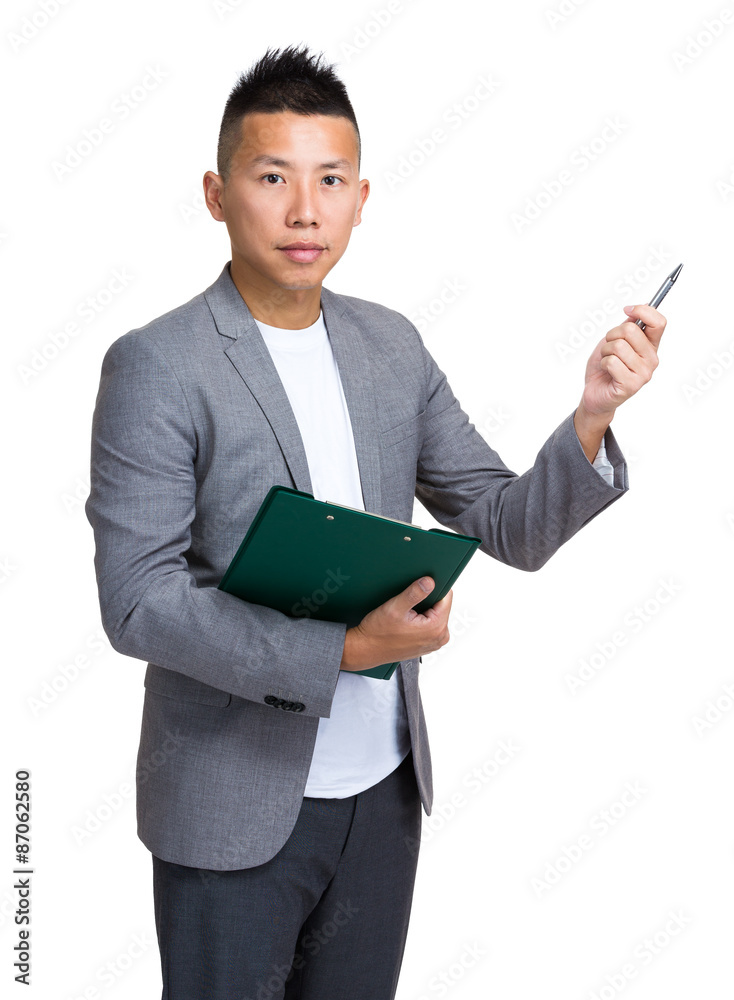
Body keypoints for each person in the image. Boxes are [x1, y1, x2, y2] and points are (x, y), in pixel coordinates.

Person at [84, 43, 665, 1000]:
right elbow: (137, 604)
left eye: (330, 179)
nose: (304, 209)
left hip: (383, 793)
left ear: (362, 197)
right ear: (216, 192)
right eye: (272, 176)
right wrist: (340, 651)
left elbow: (501, 523)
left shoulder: (390, 344)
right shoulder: (158, 363)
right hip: (230, 803)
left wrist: (593, 414)